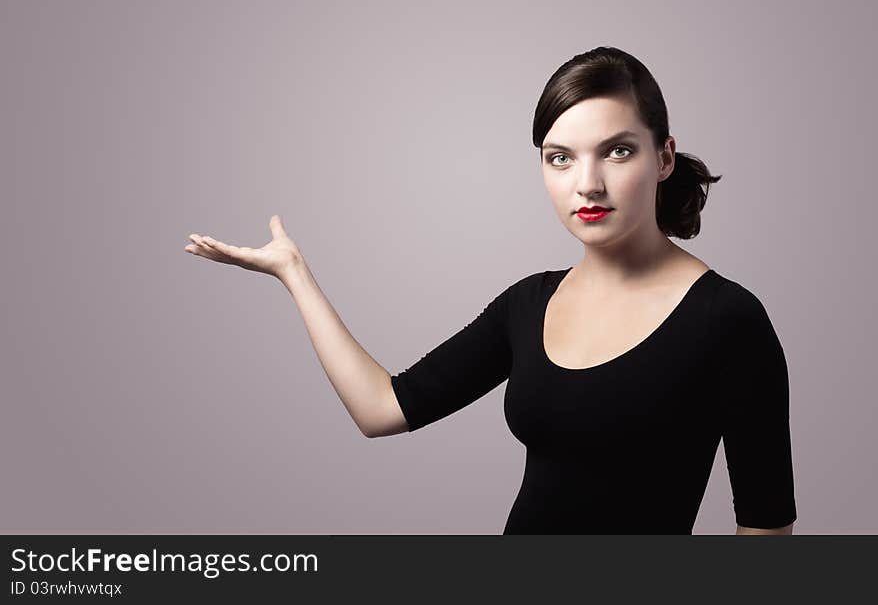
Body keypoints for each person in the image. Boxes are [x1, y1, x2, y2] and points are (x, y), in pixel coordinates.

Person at [184, 46, 796, 535]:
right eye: (560, 158)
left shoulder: (728, 320)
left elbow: (766, 535)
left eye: (617, 151)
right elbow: (380, 409)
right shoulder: (527, 304)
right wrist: (294, 274)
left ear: (663, 158)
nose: (588, 183)